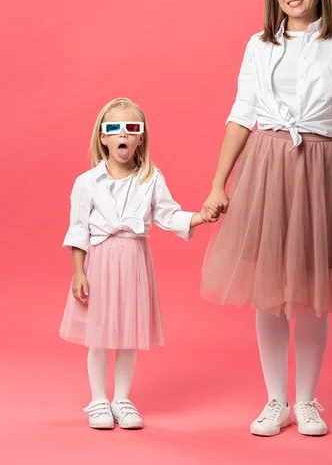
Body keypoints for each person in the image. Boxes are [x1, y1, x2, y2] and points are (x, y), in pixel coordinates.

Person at [200, 0, 332, 437]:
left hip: (322, 168)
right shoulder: (260, 46)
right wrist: (219, 182)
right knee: (269, 292)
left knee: (312, 293)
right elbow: (242, 114)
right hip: (267, 169)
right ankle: (275, 399)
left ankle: (306, 400)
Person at [60, 97, 218, 429]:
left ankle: (122, 398)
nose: (123, 134)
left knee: (128, 333)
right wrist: (78, 272)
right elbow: (78, 229)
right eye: (114, 128)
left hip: (134, 261)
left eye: (132, 128)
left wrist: (200, 217)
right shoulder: (86, 182)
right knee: (100, 334)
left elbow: (168, 215)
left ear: (140, 137)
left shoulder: (151, 178)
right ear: (103, 137)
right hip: (100, 261)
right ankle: (99, 399)